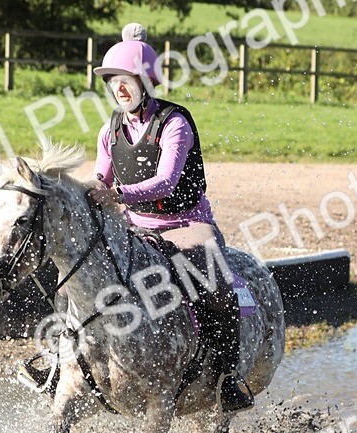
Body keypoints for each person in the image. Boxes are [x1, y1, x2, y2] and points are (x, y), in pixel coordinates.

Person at [89, 23, 253, 413]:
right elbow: (100, 177)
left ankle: (227, 378)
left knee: (215, 285)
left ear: (146, 80)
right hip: (135, 226)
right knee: (77, 276)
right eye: (112, 81)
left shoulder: (175, 123)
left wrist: (117, 195)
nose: (119, 88)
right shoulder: (109, 130)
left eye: (125, 79)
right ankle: (60, 364)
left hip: (186, 225)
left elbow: (165, 182)